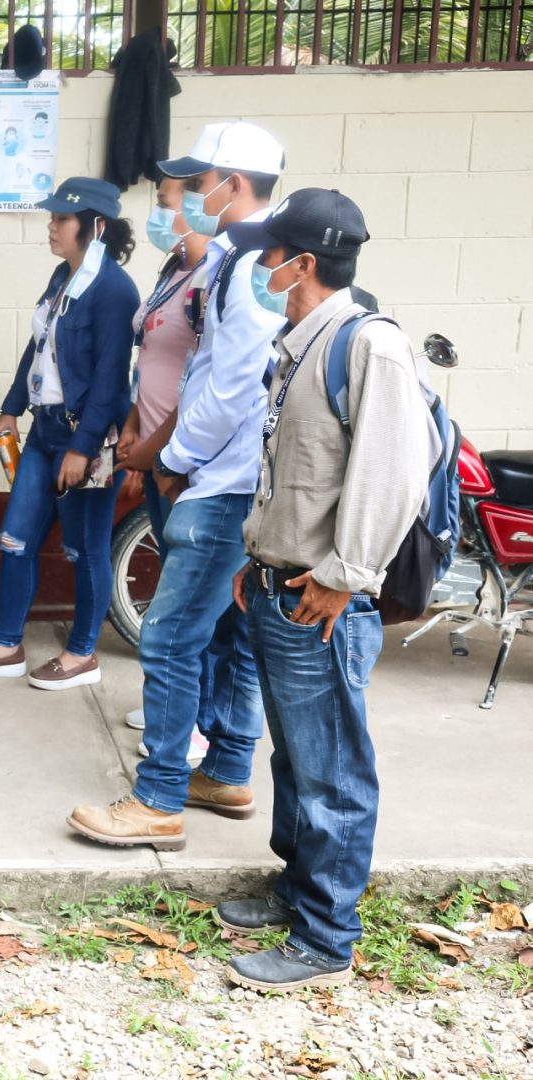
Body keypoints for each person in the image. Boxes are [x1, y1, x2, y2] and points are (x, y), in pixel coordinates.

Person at [218, 189, 434, 990]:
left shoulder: (366, 346)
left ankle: (324, 938)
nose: (260, 263)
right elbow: (297, 476)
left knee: (333, 769)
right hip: (281, 586)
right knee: (297, 759)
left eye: (271, 252)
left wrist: (345, 580)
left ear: (303, 264)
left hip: (322, 600)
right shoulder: (300, 343)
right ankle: (296, 890)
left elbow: (393, 477)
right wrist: (258, 556)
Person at [69, 120, 286, 851]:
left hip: (219, 483)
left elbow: (230, 388)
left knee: (167, 638)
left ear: (236, 184)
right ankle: (224, 772)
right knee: (226, 633)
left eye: (198, 184)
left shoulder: (254, 262)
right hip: (216, 476)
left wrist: (174, 459)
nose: (189, 197)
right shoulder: (234, 256)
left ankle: (159, 797)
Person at [0, 177, 138, 688]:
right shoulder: (63, 276)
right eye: (52, 217)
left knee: (85, 549)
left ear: (95, 227)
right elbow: (38, 349)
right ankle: (6, 645)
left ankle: (82, 655)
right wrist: (11, 408)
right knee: (15, 537)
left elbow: (108, 380)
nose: (51, 227)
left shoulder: (114, 290)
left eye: (61, 219)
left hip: (89, 437)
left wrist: (82, 450)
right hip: (44, 431)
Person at [118, 173, 210, 761]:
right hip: (154, 453)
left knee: (186, 612)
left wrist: (161, 452)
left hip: (185, 463)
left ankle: (193, 729)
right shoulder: (172, 270)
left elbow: (208, 382)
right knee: (172, 585)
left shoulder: (213, 279)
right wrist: (133, 422)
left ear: (195, 208)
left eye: (164, 203)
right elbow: (150, 357)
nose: (156, 213)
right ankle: (170, 709)